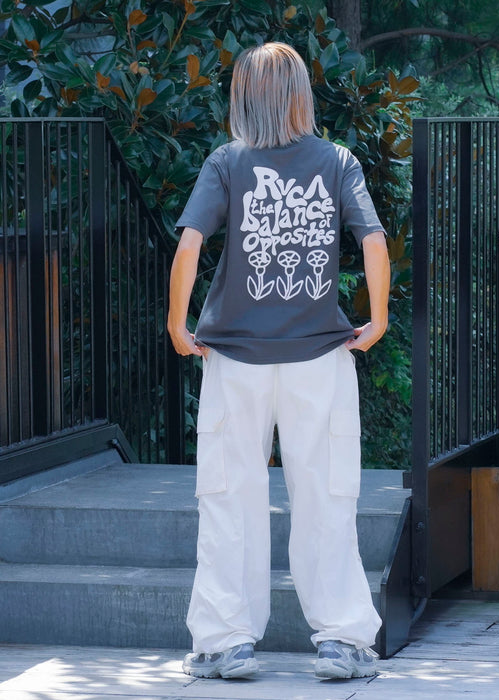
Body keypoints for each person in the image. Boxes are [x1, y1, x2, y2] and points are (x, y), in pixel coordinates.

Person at [167, 41, 390, 681]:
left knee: (227, 495)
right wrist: (376, 319)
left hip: (236, 358)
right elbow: (373, 240)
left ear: (244, 97)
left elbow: (190, 244)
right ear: (301, 96)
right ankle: (344, 640)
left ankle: (224, 642)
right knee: (326, 494)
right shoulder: (337, 161)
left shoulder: (226, 162)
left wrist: (177, 322)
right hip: (319, 357)